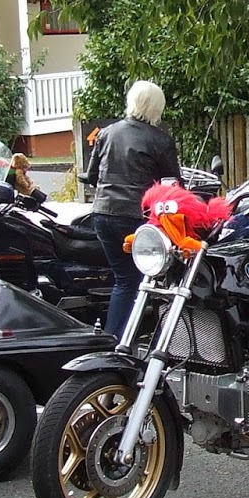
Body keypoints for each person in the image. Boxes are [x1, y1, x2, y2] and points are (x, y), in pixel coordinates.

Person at [84, 80, 180, 337]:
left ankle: (114, 338)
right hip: (137, 218)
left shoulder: (107, 133)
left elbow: (92, 176)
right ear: (156, 107)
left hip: (103, 214)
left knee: (124, 280)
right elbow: (172, 186)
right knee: (158, 280)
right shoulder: (160, 140)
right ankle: (152, 341)